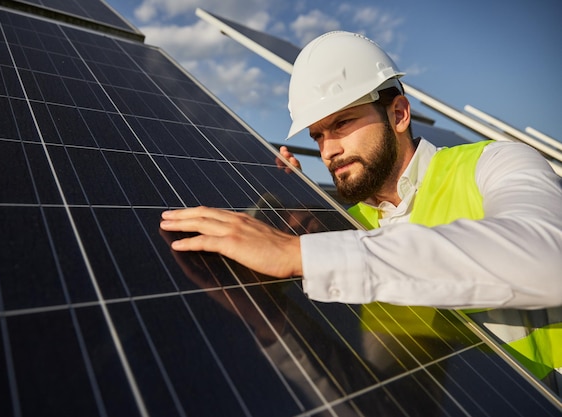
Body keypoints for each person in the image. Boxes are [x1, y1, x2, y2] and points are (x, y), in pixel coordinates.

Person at [160, 31, 562, 391]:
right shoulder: (341, 229)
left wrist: (297, 255)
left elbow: (549, 259)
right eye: (318, 135)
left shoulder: (495, 162)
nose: (328, 149)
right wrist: (264, 312)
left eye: (342, 123)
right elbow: (375, 396)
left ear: (399, 114)